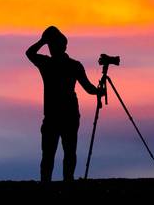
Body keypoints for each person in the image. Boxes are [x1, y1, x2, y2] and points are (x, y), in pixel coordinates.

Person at [26, 25, 104, 182]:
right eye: (49, 45)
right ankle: (65, 181)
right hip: (63, 115)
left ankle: (55, 182)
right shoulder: (70, 65)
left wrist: (42, 40)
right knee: (62, 152)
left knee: (56, 153)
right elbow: (89, 89)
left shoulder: (48, 64)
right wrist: (98, 91)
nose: (50, 48)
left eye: (51, 45)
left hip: (59, 116)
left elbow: (30, 53)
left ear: (60, 46)